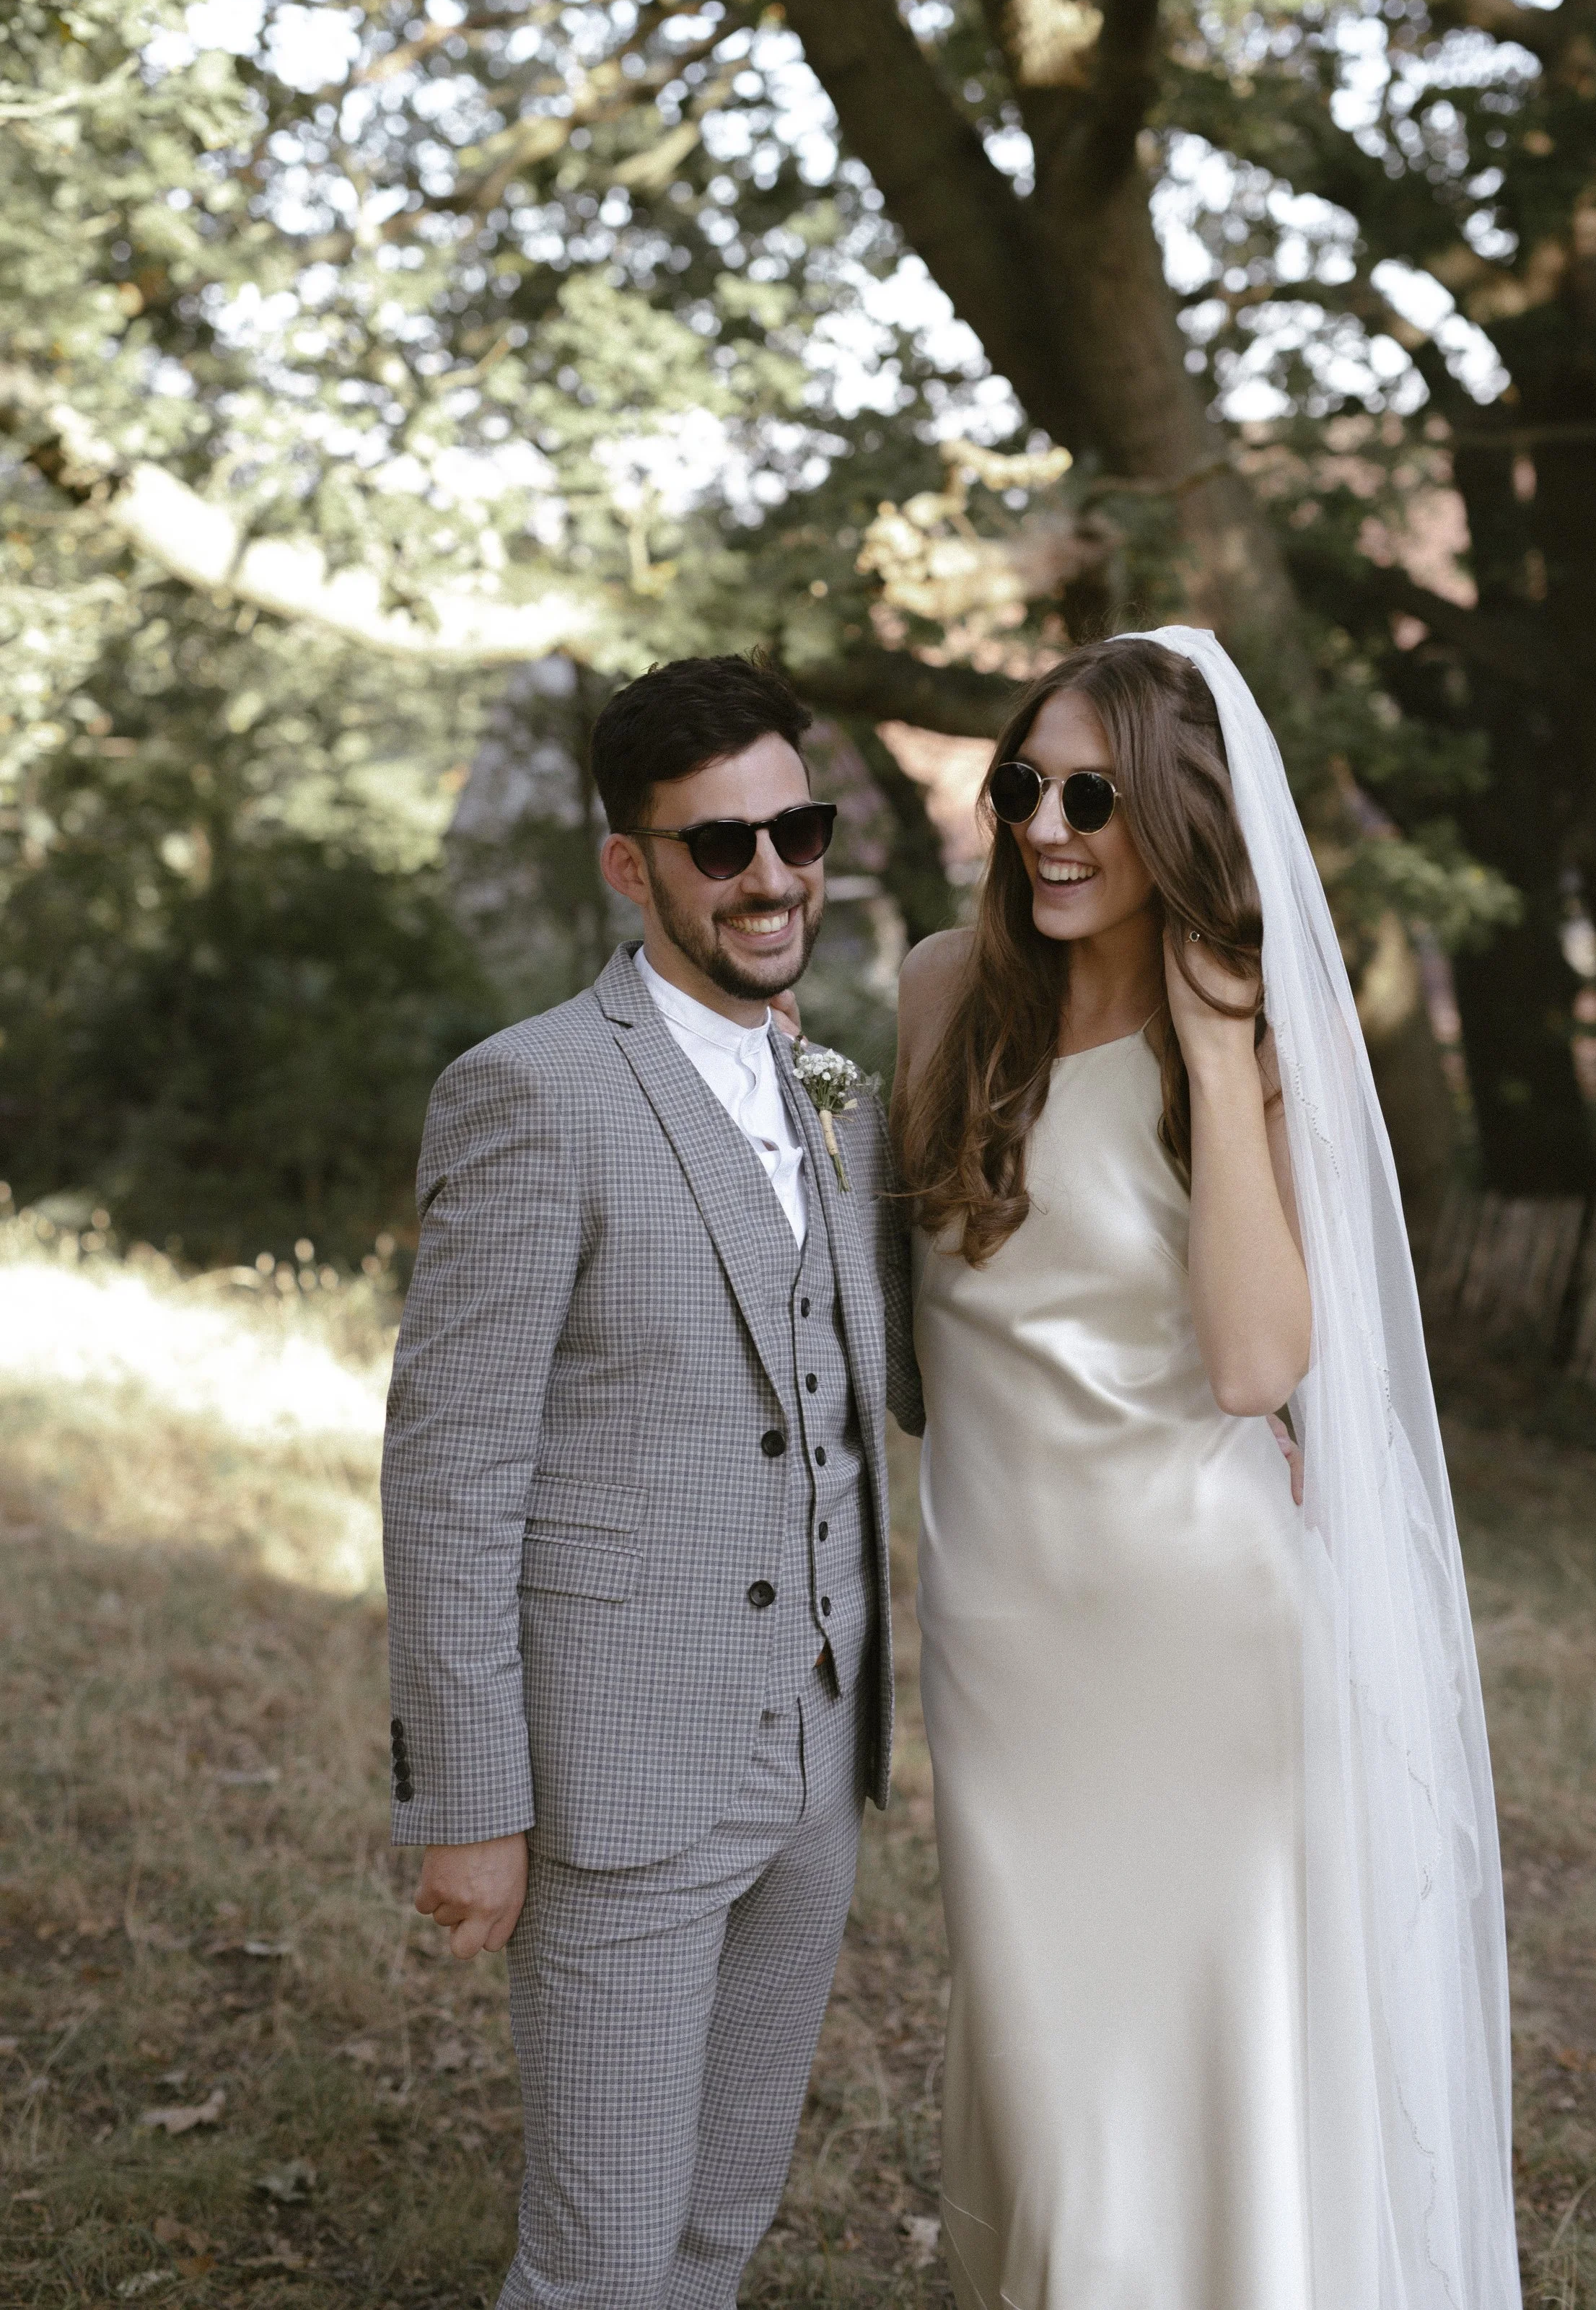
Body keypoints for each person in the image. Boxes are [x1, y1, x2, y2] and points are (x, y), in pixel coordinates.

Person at [894, 628, 1521, 2310]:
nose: (1043, 829)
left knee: (1207, 2085)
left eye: (1091, 796)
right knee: (1046, 2086)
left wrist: (1223, 1043)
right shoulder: (938, 997)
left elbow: (1257, 1365)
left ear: (1173, 816)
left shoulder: (1237, 1051)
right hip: (999, 1650)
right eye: (1018, 785)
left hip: (1200, 1648)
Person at [381, 652, 921, 2310]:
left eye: (795, 830)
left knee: (716, 2224)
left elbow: (872, 1382)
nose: (770, 876)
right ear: (633, 865)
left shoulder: (826, 1088)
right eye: (718, 845)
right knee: (601, 2258)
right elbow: (451, 1470)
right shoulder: (533, 1091)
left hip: (815, 1756)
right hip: (622, 1776)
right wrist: (470, 1805)